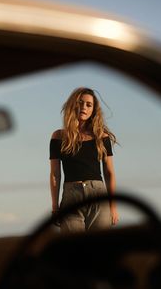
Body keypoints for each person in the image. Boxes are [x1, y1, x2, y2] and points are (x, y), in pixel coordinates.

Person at [49, 87, 119, 232]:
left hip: (98, 195)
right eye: (80, 103)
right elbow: (55, 174)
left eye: (89, 105)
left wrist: (113, 206)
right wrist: (55, 207)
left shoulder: (101, 136)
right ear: (72, 105)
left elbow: (109, 172)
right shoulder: (58, 137)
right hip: (71, 197)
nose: (84, 107)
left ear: (94, 110)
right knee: (73, 250)